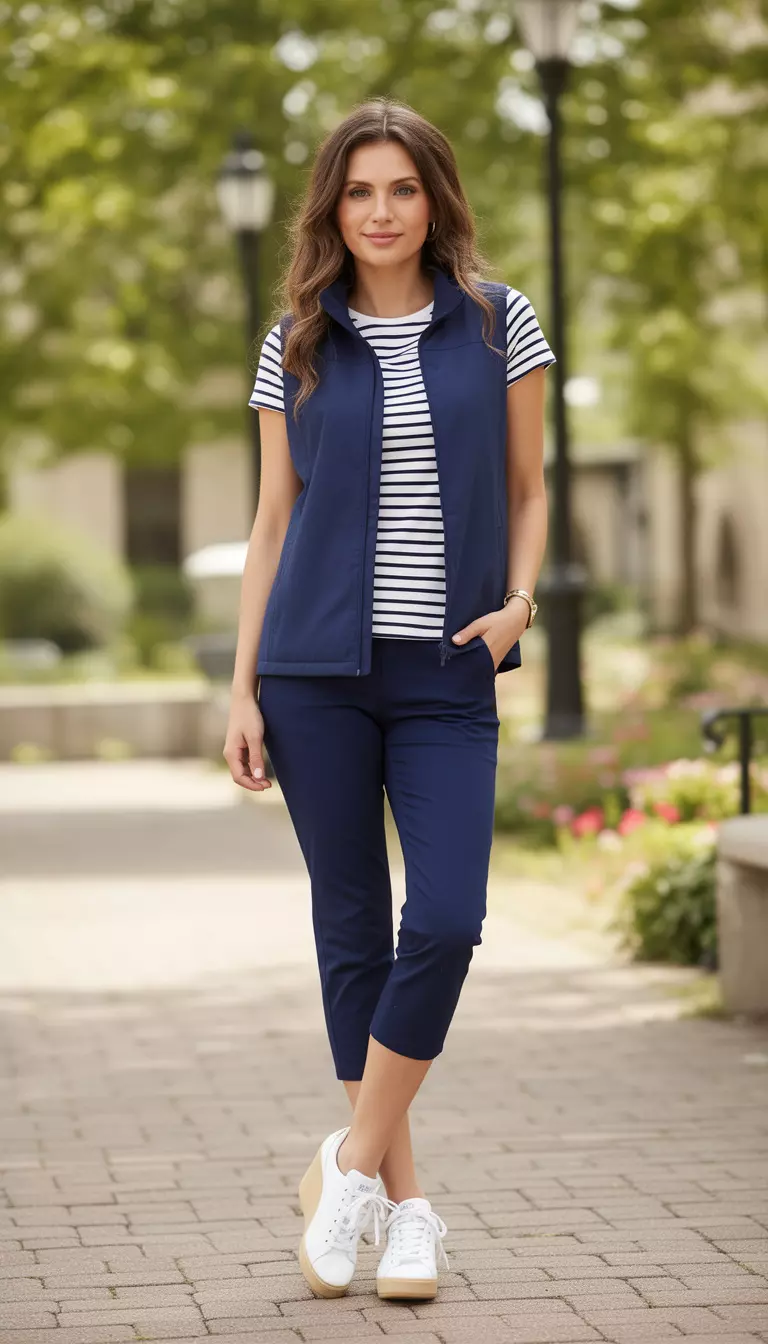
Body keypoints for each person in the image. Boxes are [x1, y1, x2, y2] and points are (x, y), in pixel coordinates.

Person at [223, 96, 554, 1303]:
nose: (378, 212)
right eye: (358, 192)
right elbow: (270, 525)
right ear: (333, 205)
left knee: (450, 919)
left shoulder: (496, 323)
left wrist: (520, 603)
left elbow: (528, 488)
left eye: (400, 190)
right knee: (353, 933)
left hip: (450, 674)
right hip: (313, 678)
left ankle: (349, 1164)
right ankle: (408, 1212)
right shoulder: (297, 339)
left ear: (434, 199)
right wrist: (243, 688)